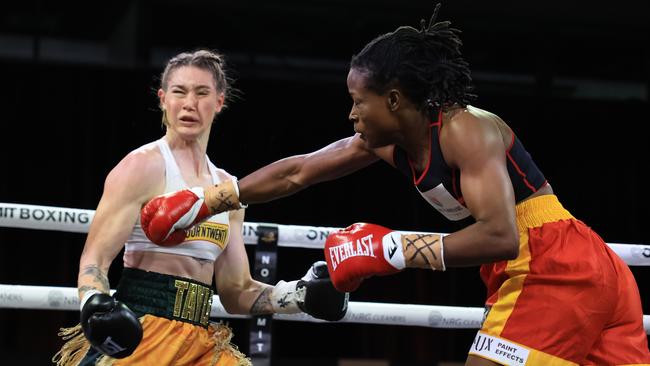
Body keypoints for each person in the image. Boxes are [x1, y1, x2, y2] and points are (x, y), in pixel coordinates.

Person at [140, 6, 650, 366]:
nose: (351, 112)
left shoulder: (466, 130)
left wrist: (390, 248)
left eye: (359, 100)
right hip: (567, 269)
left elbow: (501, 237)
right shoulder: (383, 143)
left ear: (394, 99)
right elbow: (297, 171)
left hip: (550, 263)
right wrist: (207, 200)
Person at [52, 49, 348, 366]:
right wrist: (93, 303)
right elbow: (94, 261)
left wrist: (298, 296)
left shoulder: (227, 188)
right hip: (144, 328)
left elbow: (237, 292)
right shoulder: (141, 167)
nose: (189, 103)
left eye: (201, 92)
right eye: (179, 92)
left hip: (200, 339)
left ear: (219, 102)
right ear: (163, 99)